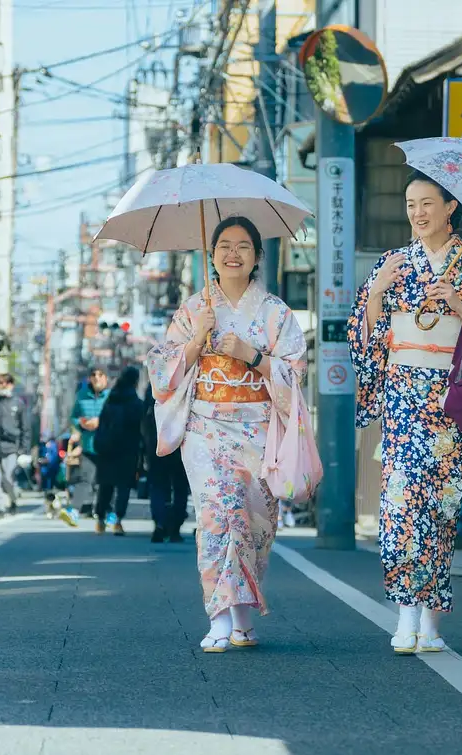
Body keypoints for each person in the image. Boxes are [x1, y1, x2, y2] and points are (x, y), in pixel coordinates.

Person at [347, 170, 462, 653]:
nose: (418, 213)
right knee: (400, 506)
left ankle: (430, 625)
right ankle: (405, 616)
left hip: (452, 400)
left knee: (442, 509)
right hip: (405, 398)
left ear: (451, 208)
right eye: (410, 204)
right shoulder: (392, 263)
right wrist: (378, 295)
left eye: (427, 203)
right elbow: (363, 342)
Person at [147, 215, 307, 653]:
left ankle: (242, 618)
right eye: (223, 246)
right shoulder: (193, 310)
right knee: (218, 515)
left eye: (243, 246)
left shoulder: (276, 312)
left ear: (256, 257)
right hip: (207, 426)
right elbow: (162, 371)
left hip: (258, 428)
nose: (232, 253)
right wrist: (196, 341)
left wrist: (251, 355)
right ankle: (218, 618)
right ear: (212, 255)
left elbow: (295, 371)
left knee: (255, 522)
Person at [92, 365, 145, 536]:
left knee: (105, 486)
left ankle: (100, 520)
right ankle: (117, 521)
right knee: (124, 487)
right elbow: (141, 429)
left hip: (107, 449)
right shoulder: (137, 403)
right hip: (128, 450)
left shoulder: (110, 400)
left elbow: (102, 425)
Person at [142, 383, 190, 543]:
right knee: (180, 487)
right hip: (181, 444)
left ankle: (160, 524)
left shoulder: (155, 384)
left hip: (157, 445)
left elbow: (144, 418)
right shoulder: (186, 381)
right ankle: (175, 527)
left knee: (158, 486)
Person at [0, 373, 31, 517]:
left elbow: (25, 428)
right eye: (0, 382)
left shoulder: (18, 404)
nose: (3, 385)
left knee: (8, 477)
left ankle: (13, 500)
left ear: (11, 385)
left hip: (12, 447)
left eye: (6, 383)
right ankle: (0, 507)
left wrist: (24, 449)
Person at [69, 367, 109, 518]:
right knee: (84, 479)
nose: (97, 378)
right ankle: (73, 510)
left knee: (106, 482)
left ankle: (108, 513)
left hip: (107, 447)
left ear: (106, 378)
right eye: (94, 375)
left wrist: (100, 422)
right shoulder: (82, 395)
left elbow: (117, 418)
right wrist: (81, 423)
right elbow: (73, 416)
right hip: (88, 446)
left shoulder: (112, 396)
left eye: (100, 374)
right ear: (89, 379)